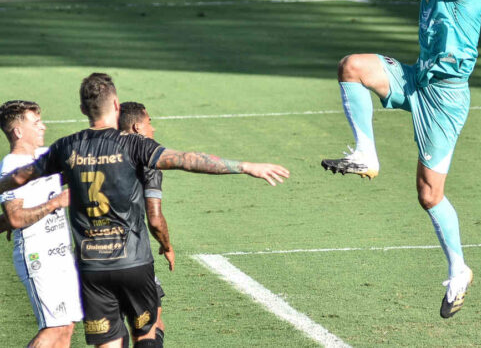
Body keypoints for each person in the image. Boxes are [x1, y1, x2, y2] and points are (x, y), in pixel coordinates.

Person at [0, 73, 290, 348]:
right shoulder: (133, 144)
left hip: (92, 268)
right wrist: (245, 166)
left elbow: (18, 177)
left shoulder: (65, 147)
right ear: (116, 105)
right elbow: (186, 159)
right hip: (132, 262)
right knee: (148, 334)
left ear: (82, 109)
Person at [321, 0, 481, 318]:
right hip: (417, 77)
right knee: (352, 66)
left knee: (429, 196)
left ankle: (459, 269)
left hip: (446, 98)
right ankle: (365, 152)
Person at [0, 100, 83, 347]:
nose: (43, 127)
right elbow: (15, 217)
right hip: (38, 257)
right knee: (52, 327)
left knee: (66, 327)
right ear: (17, 131)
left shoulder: (45, 156)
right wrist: (55, 203)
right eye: (36, 123)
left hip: (61, 254)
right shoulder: (11, 167)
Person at [118, 101, 171, 348]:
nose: (153, 129)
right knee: (151, 326)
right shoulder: (147, 157)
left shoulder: (95, 149)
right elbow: (155, 217)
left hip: (92, 256)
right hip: (133, 256)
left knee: (111, 337)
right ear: (138, 126)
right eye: (150, 123)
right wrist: (166, 245)